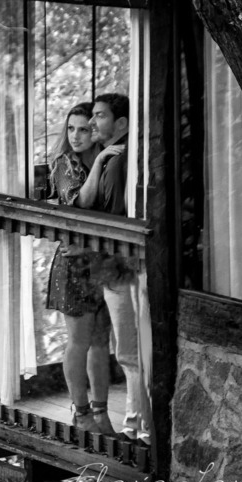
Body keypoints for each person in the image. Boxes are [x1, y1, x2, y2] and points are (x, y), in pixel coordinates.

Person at [79, 92, 152, 444]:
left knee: (129, 351)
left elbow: (111, 213)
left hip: (122, 264)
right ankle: (136, 423)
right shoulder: (111, 157)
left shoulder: (118, 161)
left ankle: (140, 427)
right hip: (119, 263)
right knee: (128, 350)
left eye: (100, 116)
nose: (93, 122)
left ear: (121, 122)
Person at [48, 103, 115, 436]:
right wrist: (100, 160)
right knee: (79, 341)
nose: (76, 136)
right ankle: (81, 413)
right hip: (73, 266)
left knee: (101, 341)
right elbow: (82, 203)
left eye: (84, 129)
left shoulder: (108, 159)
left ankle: (101, 413)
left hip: (101, 263)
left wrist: (102, 159)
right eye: (71, 129)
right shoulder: (65, 164)